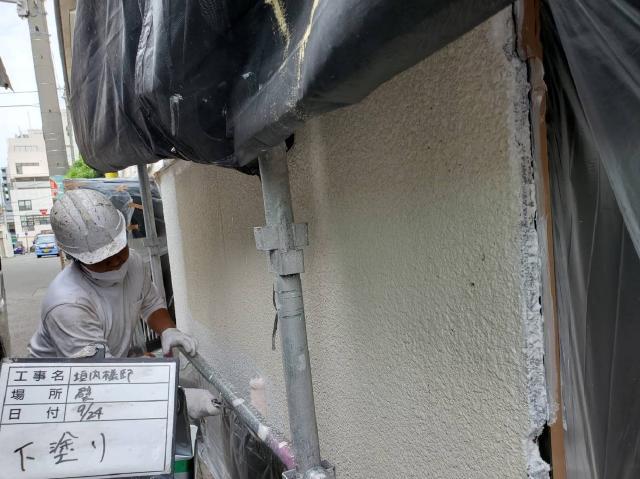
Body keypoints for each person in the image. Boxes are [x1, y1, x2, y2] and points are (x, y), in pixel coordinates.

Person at [28, 189, 218, 418]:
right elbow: (98, 379)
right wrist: (179, 399)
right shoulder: (68, 305)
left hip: (105, 371)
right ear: (76, 258)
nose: (116, 261)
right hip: (60, 393)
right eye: (103, 259)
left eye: (119, 250)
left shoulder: (133, 263)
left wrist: (168, 330)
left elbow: (150, 302)